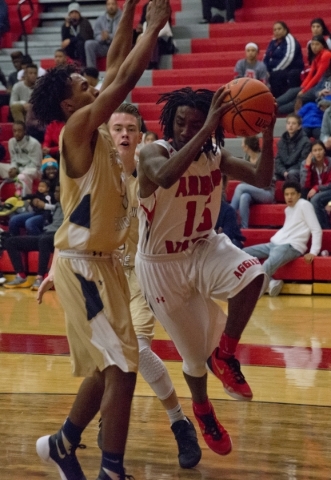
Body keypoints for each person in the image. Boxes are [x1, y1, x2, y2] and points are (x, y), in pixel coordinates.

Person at [31, 2, 171, 480]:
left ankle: (63, 444)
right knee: (123, 371)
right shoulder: (77, 128)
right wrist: (153, 29)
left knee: (105, 368)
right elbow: (124, 78)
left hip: (106, 264)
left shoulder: (92, 126)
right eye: (83, 87)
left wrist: (130, 9)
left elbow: (113, 66)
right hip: (83, 266)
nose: (93, 86)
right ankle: (112, 470)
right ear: (71, 105)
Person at [136, 86, 274, 456]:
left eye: (196, 123)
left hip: (202, 246)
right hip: (160, 263)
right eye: (181, 122)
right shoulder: (152, 153)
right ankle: (202, 409)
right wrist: (208, 126)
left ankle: (225, 355)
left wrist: (267, 131)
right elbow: (165, 177)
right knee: (193, 358)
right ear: (170, 122)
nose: (186, 129)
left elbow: (262, 180)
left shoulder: (214, 155)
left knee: (254, 273)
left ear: (211, 128)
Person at [106, 102, 201, 468]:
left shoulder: (153, 168)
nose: (124, 134)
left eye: (131, 128)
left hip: (143, 273)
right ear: (108, 136)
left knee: (136, 349)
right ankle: (105, 418)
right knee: (108, 360)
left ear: (142, 136)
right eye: (117, 129)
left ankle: (179, 421)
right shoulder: (97, 176)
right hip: (104, 275)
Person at [243, 181, 322, 296]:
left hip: (290, 246)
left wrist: (313, 252)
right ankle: (272, 283)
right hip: (274, 244)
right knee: (243, 253)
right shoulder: (288, 209)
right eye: (286, 194)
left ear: (299, 195)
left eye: (292, 194)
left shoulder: (304, 205)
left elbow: (316, 229)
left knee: (267, 265)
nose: (289, 197)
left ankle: (251, 296)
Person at [4, 184, 62, 290]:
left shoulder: (72, 205)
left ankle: (41, 278)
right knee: (10, 241)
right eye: (55, 191)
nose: (55, 193)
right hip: (46, 234)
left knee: (43, 240)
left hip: (59, 236)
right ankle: (21, 276)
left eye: (59, 191)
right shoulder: (57, 205)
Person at [277, 35, 331, 115]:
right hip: (320, 84)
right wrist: (302, 88)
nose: (314, 47)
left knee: (300, 97)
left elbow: (318, 76)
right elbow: (310, 74)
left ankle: (277, 110)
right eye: (312, 44)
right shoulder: (317, 56)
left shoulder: (326, 54)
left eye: (317, 44)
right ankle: (273, 102)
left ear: (323, 45)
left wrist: (304, 90)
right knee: (293, 91)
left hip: (324, 86)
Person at [230, 136, 275, 228]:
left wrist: (252, 185)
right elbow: (243, 179)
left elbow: (268, 182)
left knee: (240, 187)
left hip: (267, 192)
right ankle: (243, 229)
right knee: (244, 197)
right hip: (252, 191)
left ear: (247, 146)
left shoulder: (265, 159)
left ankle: (229, 214)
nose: (241, 145)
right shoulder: (246, 158)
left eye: (242, 143)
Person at [0, 120, 42, 196]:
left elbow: (36, 164)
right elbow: (14, 160)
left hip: (32, 170)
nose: (17, 133)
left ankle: (26, 199)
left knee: (22, 175)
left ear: (25, 131)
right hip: (17, 168)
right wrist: (13, 168)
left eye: (19, 131)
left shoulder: (34, 143)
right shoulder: (11, 142)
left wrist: (18, 170)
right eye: (14, 131)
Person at [263, 21, 304, 98]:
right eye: (275, 30)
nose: (277, 31)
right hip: (274, 69)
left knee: (275, 76)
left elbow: (288, 58)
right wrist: (265, 70)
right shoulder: (273, 42)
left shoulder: (290, 40)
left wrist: (274, 70)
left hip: (291, 68)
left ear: (285, 30)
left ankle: (278, 100)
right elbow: (266, 56)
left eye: (279, 29)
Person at [300, 140, 331, 228]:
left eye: (320, 150)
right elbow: (304, 185)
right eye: (315, 150)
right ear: (311, 153)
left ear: (324, 150)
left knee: (315, 199)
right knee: (303, 197)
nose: (318, 153)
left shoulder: (330, 162)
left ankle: (325, 229)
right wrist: (307, 167)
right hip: (314, 192)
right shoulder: (305, 163)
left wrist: (317, 188)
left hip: (328, 192)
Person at [85, 0, 123, 68]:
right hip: (104, 46)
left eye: (113, 4)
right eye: (109, 4)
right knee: (89, 44)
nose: (111, 6)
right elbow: (96, 35)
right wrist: (101, 37)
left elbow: (123, 36)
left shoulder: (123, 18)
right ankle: (91, 71)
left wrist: (109, 36)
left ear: (117, 5)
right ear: (106, 6)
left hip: (118, 47)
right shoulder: (100, 19)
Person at [275, 113, 312, 182]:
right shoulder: (281, 141)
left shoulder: (306, 142)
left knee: (292, 173)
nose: (290, 125)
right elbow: (278, 160)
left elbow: (302, 162)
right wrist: (283, 171)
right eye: (288, 123)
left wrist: (287, 172)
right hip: (284, 170)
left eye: (293, 123)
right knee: (269, 174)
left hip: (297, 170)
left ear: (299, 127)